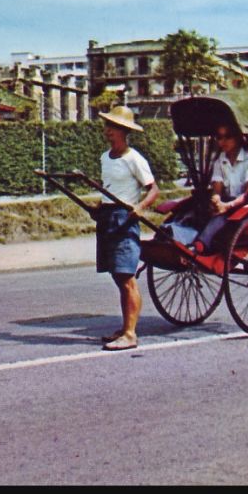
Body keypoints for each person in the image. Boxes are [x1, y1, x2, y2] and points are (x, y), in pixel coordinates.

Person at [95, 106, 159, 351]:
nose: (108, 132)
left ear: (123, 131)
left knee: (126, 276)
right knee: (116, 275)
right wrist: (97, 208)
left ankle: (130, 334)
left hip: (126, 217)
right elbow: (109, 189)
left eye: (113, 128)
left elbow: (153, 189)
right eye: (107, 127)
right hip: (108, 217)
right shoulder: (104, 157)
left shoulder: (134, 158)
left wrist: (141, 207)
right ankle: (125, 327)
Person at [192, 123, 248, 255]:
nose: (222, 141)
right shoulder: (220, 161)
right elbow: (217, 189)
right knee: (198, 209)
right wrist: (216, 201)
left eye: (227, 137)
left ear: (238, 137)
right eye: (219, 137)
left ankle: (202, 244)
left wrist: (227, 206)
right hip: (228, 202)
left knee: (222, 216)